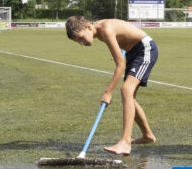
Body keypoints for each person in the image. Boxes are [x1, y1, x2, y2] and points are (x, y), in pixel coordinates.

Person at [64, 15, 156, 155]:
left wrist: (108, 92)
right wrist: (118, 51)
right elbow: (121, 36)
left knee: (126, 90)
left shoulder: (105, 30)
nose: (82, 43)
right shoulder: (100, 31)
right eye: (78, 41)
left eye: (81, 38)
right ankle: (147, 136)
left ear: (88, 27)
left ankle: (125, 143)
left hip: (145, 49)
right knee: (130, 96)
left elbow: (120, 66)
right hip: (133, 52)